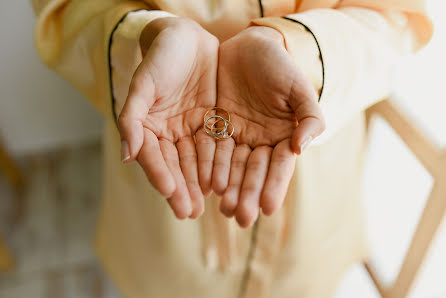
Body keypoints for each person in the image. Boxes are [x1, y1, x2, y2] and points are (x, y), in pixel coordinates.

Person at [31, 0, 432, 297]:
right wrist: (147, 34)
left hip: (314, 189)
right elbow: (63, 12)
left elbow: (399, 17)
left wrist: (299, 51)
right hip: (164, 174)